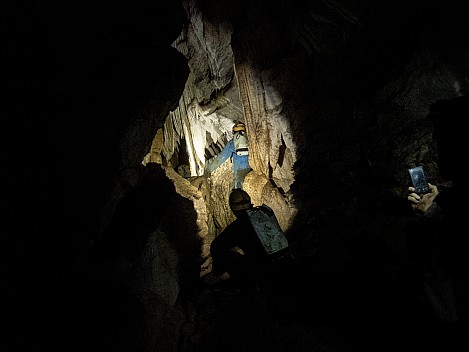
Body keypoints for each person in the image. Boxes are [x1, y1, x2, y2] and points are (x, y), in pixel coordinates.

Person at [405, 95, 465, 349]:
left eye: (442, 138)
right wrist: (439, 200)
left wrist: (430, 213)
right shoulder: (456, 194)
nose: (437, 147)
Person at [204, 121, 252, 189]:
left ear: (234, 132)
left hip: (239, 170)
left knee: (239, 190)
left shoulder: (232, 143)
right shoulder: (251, 141)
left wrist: (209, 170)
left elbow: (220, 158)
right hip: (250, 168)